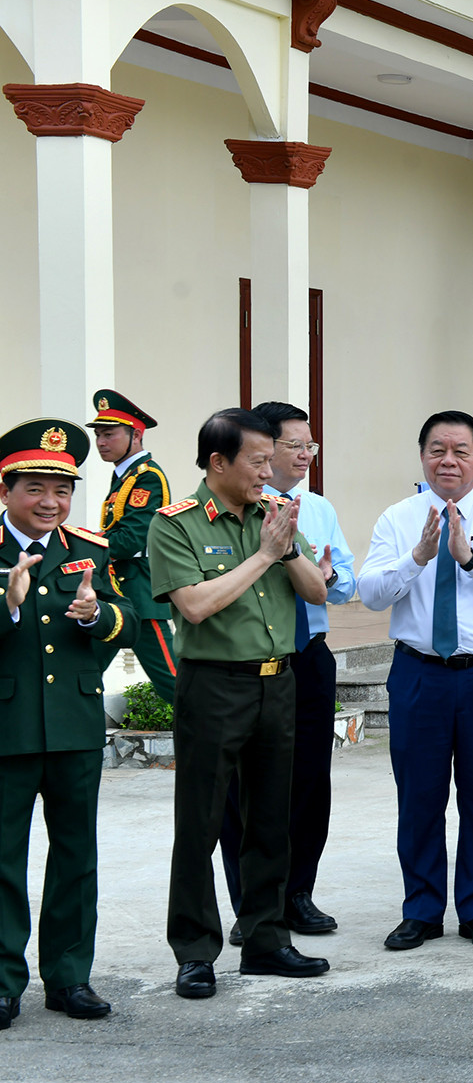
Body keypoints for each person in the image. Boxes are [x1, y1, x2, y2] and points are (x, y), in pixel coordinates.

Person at [148, 409, 332, 999]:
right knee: (200, 821)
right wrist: (261, 555)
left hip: (278, 683)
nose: (268, 470)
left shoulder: (275, 514)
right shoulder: (173, 524)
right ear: (217, 462)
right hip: (214, 685)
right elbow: (196, 606)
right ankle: (196, 952)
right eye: (257, 460)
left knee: (270, 818)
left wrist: (287, 549)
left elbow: (316, 591)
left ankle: (265, 938)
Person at [360, 412, 473, 952]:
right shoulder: (397, 518)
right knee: (419, 795)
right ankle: (420, 909)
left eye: (461, 451)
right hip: (419, 672)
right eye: (437, 450)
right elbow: (370, 592)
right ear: (422, 457)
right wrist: (417, 557)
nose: (448, 461)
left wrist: (470, 559)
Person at [0, 419, 133, 1027]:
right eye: (35, 489)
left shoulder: (90, 549)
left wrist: (95, 614)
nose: (50, 503)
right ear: (6, 490)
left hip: (75, 726)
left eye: (61, 490)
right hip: (8, 729)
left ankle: (70, 978)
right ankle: (3, 981)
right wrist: (9, 604)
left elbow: (129, 618)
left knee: (76, 855)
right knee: (4, 857)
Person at [214, 402, 358, 944]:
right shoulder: (227, 512)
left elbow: (344, 582)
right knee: (242, 789)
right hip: (248, 660)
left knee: (308, 782)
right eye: (294, 445)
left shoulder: (317, 508)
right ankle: (250, 903)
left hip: (309, 656)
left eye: (310, 446)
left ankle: (297, 893)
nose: (305, 456)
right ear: (262, 449)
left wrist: (327, 575)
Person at [88, 390, 176, 705]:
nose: (100, 441)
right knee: (82, 673)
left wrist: (83, 544)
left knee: (174, 684)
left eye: (109, 434)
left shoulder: (147, 477)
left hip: (138, 593)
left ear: (136, 435)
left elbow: (130, 540)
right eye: (98, 434)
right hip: (114, 593)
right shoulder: (123, 476)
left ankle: (221, 743)